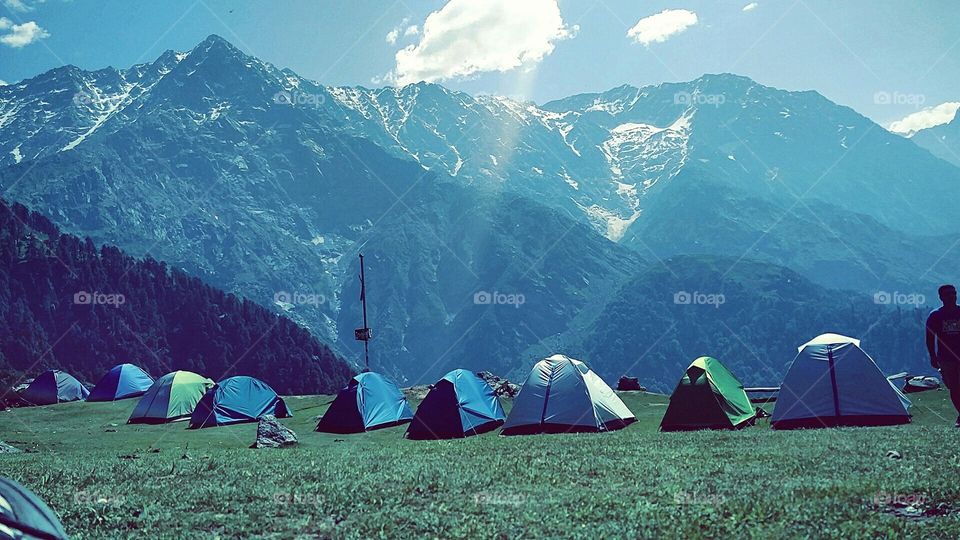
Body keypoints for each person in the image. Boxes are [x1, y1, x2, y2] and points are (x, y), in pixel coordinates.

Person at [926, 284, 960, 426]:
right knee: (954, 387)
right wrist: (932, 356)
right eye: (948, 294)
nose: (952, 296)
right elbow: (929, 337)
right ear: (941, 297)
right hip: (946, 359)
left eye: (954, 293)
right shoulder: (936, 316)